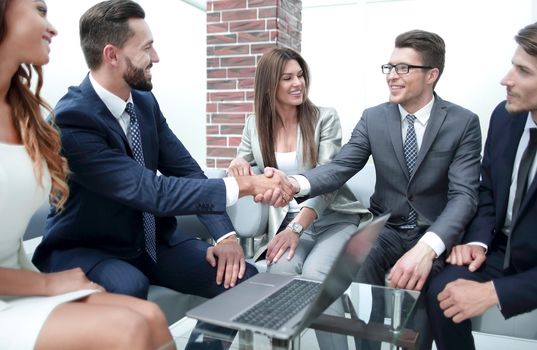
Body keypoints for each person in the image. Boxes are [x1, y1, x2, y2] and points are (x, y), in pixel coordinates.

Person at [32, 0, 294, 301]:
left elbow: (187, 171)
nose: (155, 57)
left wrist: (226, 236)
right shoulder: (72, 120)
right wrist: (249, 183)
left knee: (242, 277)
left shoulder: (144, 103)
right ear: (112, 55)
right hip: (90, 248)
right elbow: (152, 191)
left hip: (152, 241)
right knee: (129, 285)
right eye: (146, 48)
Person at [285, 30, 482, 350]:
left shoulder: (462, 122)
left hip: (433, 230)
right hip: (386, 227)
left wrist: (429, 247)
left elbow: (464, 195)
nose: (392, 76)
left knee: (415, 332)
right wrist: (295, 183)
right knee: (359, 273)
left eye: (403, 68)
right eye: (389, 67)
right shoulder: (373, 118)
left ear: (432, 74)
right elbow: (340, 167)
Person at [0, 0, 174, 349]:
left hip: (15, 280)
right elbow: (144, 188)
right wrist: (47, 285)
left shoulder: (22, 112)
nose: (53, 28)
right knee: (128, 330)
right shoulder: (76, 115)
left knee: (150, 317)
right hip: (18, 286)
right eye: (40, 10)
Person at [227, 47, 371, 349]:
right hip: (289, 221)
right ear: (269, 86)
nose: (298, 83)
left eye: (301, 75)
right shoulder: (255, 123)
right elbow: (242, 160)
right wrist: (237, 165)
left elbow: (330, 177)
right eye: (287, 78)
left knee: (317, 277)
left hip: (330, 218)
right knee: (280, 271)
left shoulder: (324, 118)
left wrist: (296, 228)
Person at [426, 22, 537, 350]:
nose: (506, 79)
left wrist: (493, 293)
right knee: (441, 291)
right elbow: (487, 189)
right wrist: (478, 242)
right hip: (502, 247)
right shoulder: (505, 117)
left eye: (523, 71)